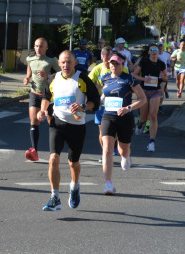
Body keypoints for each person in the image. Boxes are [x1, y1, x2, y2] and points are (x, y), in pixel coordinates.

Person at [38, 51, 101, 211]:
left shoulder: (82, 78)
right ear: (59, 63)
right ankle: (55, 197)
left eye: (69, 62)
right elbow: (46, 96)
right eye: (63, 62)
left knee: (73, 162)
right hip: (57, 124)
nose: (66, 65)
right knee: (53, 159)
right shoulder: (52, 78)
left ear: (74, 63)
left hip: (77, 126)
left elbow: (95, 100)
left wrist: (83, 106)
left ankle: (74, 186)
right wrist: (42, 110)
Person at [98, 54, 147, 195]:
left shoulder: (129, 79)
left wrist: (129, 108)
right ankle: (108, 183)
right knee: (107, 148)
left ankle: (126, 157)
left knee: (123, 150)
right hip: (108, 116)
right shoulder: (105, 78)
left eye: (116, 64)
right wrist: (101, 98)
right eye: (111, 63)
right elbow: (101, 93)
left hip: (125, 117)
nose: (113, 66)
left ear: (122, 65)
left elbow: (142, 99)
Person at [23, 38, 58, 162]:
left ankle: (55, 151)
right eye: (36, 46)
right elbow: (30, 68)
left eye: (41, 46)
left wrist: (47, 76)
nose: (38, 48)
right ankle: (34, 151)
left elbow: (61, 75)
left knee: (51, 123)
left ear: (46, 48)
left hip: (47, 95)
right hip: (34, 93)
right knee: (34, 121)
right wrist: (27, 77)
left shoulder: (52, 61)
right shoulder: (30, 59)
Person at [132, 44, 167, 153]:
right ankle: (140, 125)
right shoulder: (144, 62)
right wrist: (144, 79)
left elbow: (166, 78)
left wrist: (162, 76)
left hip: (156, 92)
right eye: (152, 50)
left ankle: (152, 142)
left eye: (156, 50)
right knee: (143, 118)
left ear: (158, 52)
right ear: (149, 52)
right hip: (144, 91)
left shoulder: (161, 64)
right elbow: (134, 75)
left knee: (153, 116)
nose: (154, 52)